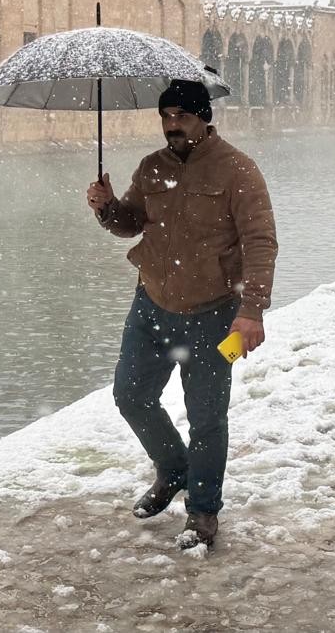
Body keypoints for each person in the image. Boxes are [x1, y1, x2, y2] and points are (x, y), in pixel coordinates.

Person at [85, 79, 278, 550]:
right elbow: (131, 224)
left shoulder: (237, 170)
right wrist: (107, 207)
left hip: (213, 314)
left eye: (183, 116)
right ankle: (173, 470)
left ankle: (203, 510)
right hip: (150, 303)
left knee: (207, 417)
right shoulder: (153, 168)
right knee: (130, 396)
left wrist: (251, 310)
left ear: (204, 117)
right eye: (166, 116)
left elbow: (260, 242)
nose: (173, 125)